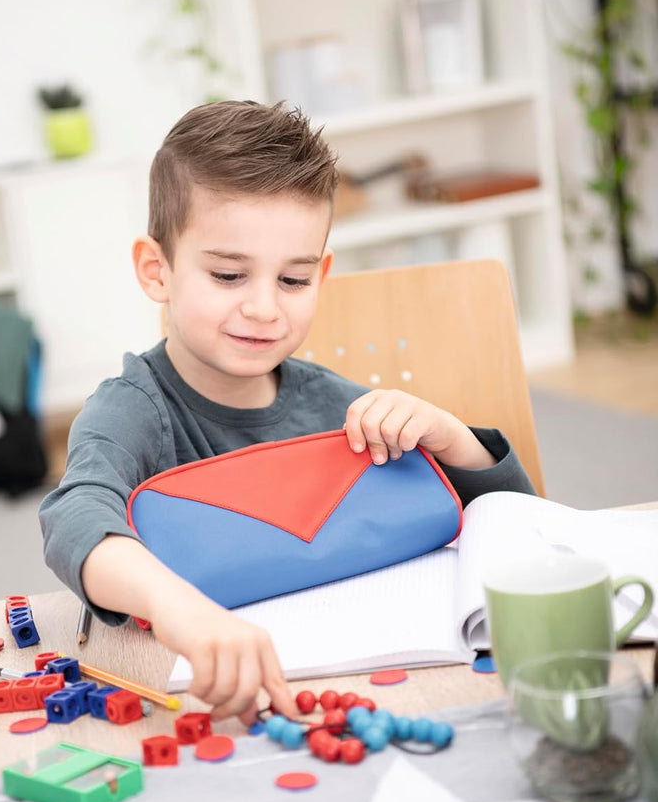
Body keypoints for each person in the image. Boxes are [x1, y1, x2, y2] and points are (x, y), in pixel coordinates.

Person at [39, 100, 535, 724]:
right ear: (156, 271)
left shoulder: (341, 407)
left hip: (375, 687)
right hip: (198, 697)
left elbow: (519, 520)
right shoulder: (133, 409)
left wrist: (454, 437)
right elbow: (74, 518)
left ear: (321, 275)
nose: (265, 309)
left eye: (293, 281)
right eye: (228, 275)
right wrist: (179, 608)